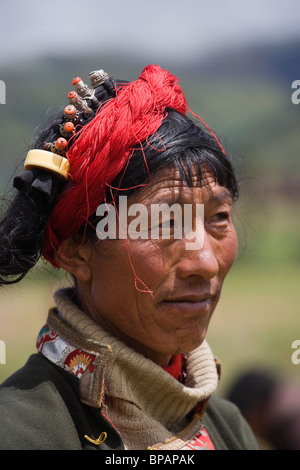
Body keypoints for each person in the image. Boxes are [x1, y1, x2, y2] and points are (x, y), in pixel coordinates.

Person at [0, 64, 259, 450]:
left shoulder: (227, 427)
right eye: (165, 223)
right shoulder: (21, 433)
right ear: (76, 248)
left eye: (218, 218)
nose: (206, 262)